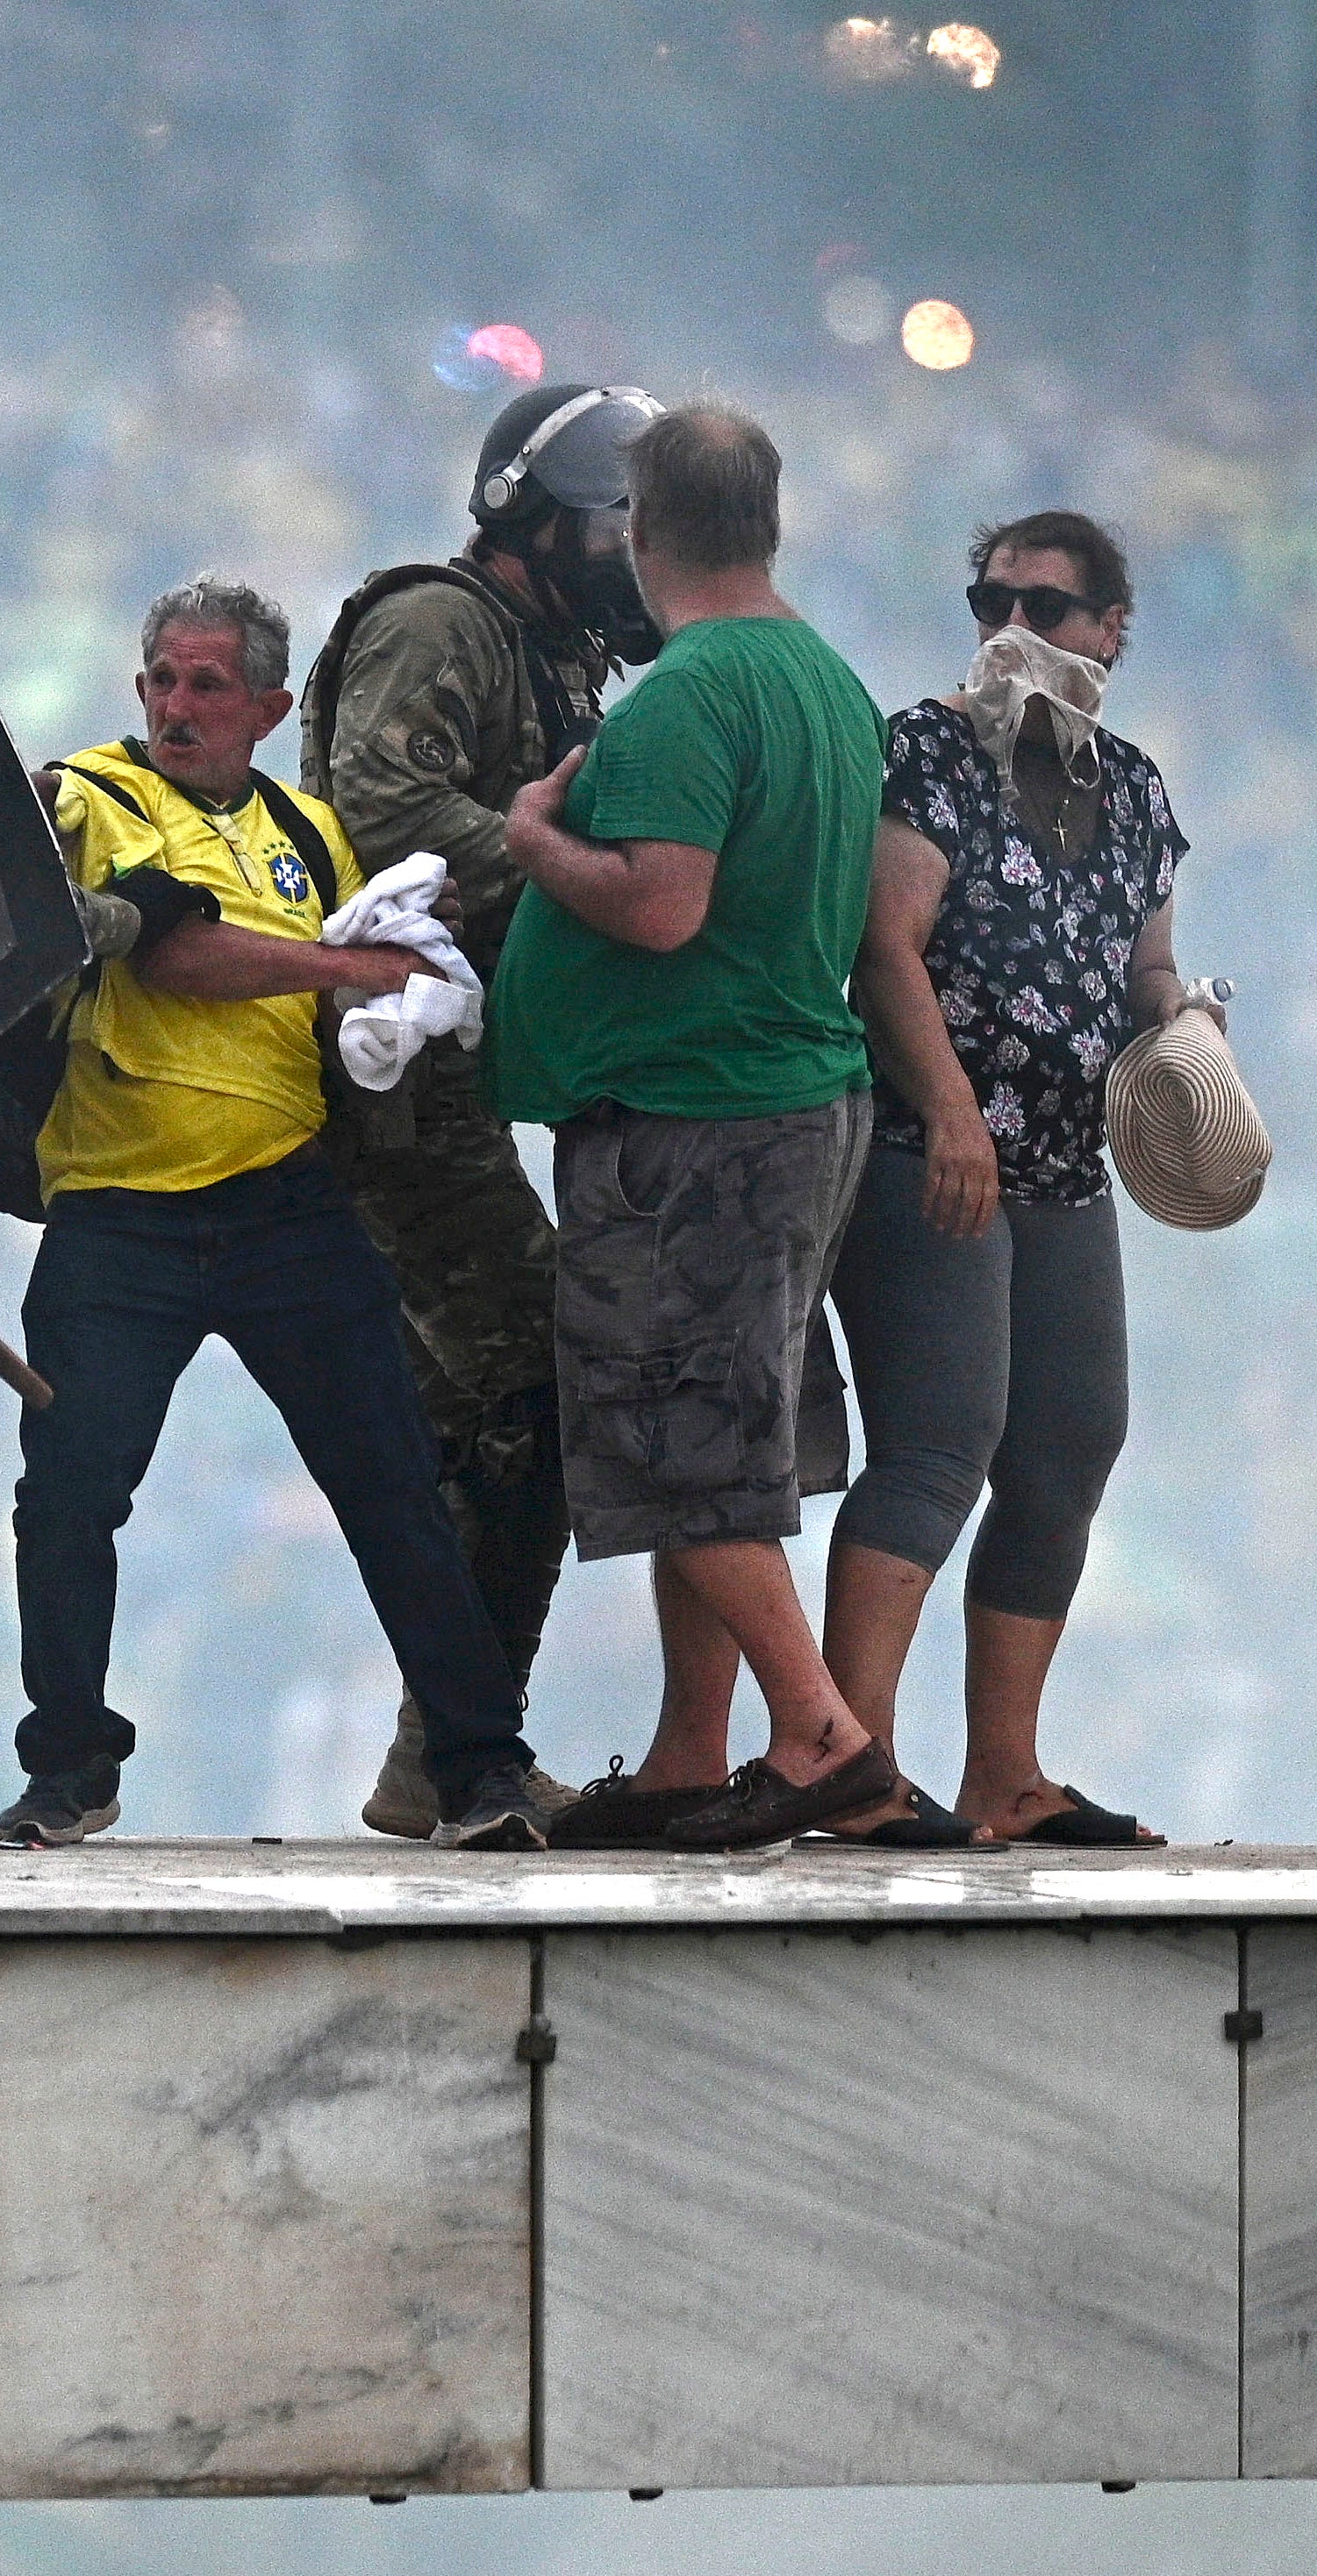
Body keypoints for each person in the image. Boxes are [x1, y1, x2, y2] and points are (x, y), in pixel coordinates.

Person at [0, 574, 551, 1852]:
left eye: (205, 685)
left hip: (286, 1203)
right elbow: (170, 956)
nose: (177, 707)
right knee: (71, 1492)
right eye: (161, 682)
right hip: (119, 1210)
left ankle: (480, 1766)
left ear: (267, 704)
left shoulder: (308, 831)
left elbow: (362, 966)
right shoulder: (93, 797)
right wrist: (354, 967)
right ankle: (68, 1768)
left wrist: (413, 966)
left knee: (394, 1482)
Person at [490, 403, 899, 1854]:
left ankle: (816, 1735)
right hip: (796, 1099)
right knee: (726, 1437)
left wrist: (537, 844)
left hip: (696, 1118)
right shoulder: (829, 682)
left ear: (635, 531)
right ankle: (687, 1751)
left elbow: (663, 903)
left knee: (673, 1434)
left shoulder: (685, 694)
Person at [298, 382, 662, 1838]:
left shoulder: (547, 654)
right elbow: (376, 810)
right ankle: (462, 1755)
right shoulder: (439, 626)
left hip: (452, 1080)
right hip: (391, 1080)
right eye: (623, 523)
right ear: (548, 518)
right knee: (531, 1386)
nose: (642, 556)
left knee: (495, 1420)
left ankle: (449, 1751)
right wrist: (561, 856)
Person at [815, 511, 1198, 1847]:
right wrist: (952, 1107)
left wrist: (1184, 1027)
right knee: (937, 1442)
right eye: (992, 602)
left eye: (1046, 605)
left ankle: (1006, 1776)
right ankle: (848, 1762)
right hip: (933, 1148)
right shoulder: (927, 752)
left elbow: (1143, 962)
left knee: (1067, 1445)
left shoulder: (1136, 791)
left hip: (1060, 1157)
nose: (1013, 628)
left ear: (1109, 631)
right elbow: (886, 944)